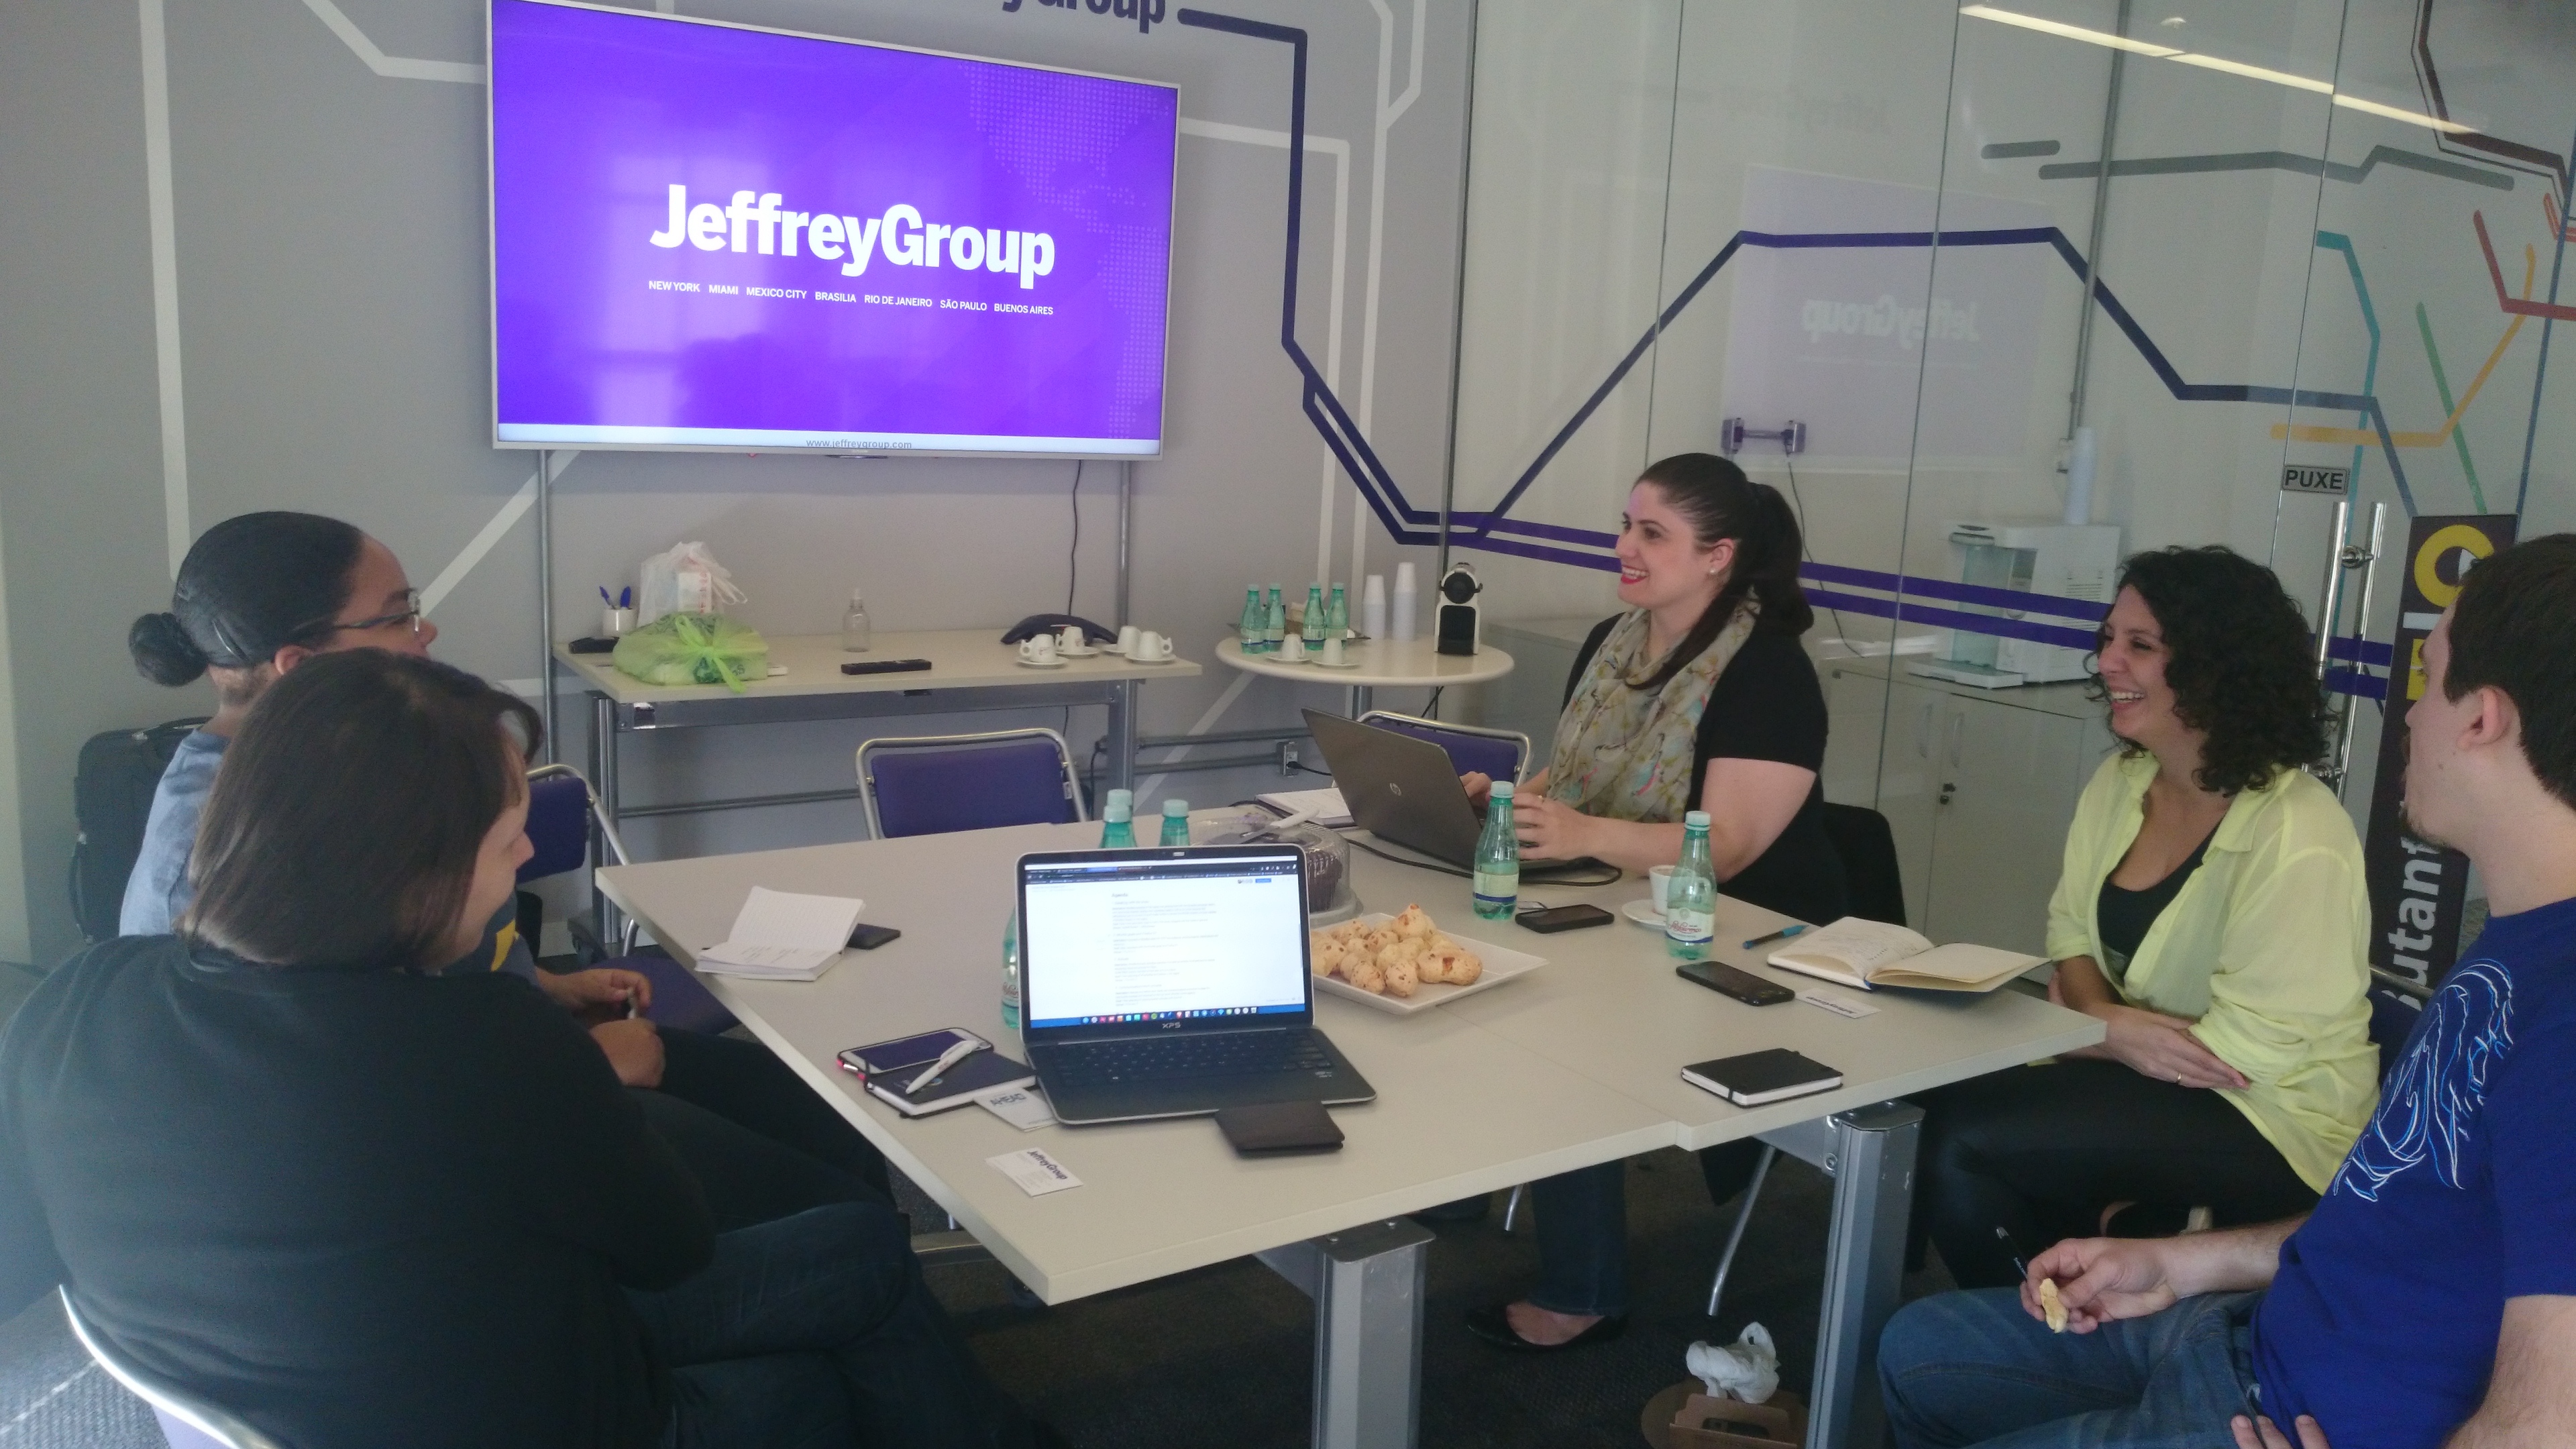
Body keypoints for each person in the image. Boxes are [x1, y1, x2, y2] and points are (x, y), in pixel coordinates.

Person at [0, 651, 1044, 1448]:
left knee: (848, 1266)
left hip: (286, 1403)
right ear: (414, 875)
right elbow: (673, 1250)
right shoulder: (483, 1047)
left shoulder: (75, 1001)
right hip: (548, 1416)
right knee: (845, 1295)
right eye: (509, 843)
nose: (529, 861)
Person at [1878, 533, 2576, 1449]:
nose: (2406, 718)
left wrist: (2101, 1027)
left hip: (2288, 1406)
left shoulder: (2558, 1013)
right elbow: (2379, 1225)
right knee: (1913, 1351)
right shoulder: (2506, 962)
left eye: (2426, 681)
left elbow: (2551, 1419)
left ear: (2481, 718)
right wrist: (2180, 1264)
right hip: (2249, 1333)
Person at [123, 511, 888, 1228]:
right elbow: (342, 1102)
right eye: (396, 614)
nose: (427, 631)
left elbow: (421, 957)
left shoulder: (353, 761)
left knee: (832, 1117)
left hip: (523, 1052)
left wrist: (549, 988)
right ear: (299, 666)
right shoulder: (215, 865)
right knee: (824, 1213)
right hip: (483, 1129)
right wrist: (579, 1072)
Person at [1464, 451, 1850, 1351]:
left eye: (1651, 533)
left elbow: (1733, 847)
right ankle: (1450, 1196)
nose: (1624, 547)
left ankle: (1583, 1290)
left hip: (1746, 937)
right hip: (1627, 905)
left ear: (1718, 556)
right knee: (1483, 974)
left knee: (1563, 1027)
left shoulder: (1768, 670)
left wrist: (1581, 835)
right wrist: (1524, 807)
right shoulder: (1614, 642)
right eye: (1627, 525)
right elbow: (1583, 775)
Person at [1912, 547, 2377, 1289]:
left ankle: (2047, 1342)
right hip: (2153, 1080)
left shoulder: (2299, 833)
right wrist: (2103, 1023)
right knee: (1939, 1103)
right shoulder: (2122, 781)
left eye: (2140, 646)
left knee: (1963, 1140)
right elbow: (2067, 929)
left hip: (2275, 1119)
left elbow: (2241, 1054)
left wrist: (2088, 1030)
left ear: (2216, 667)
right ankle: (2083, 1302)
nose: (2106, 664)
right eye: (2108, 639)